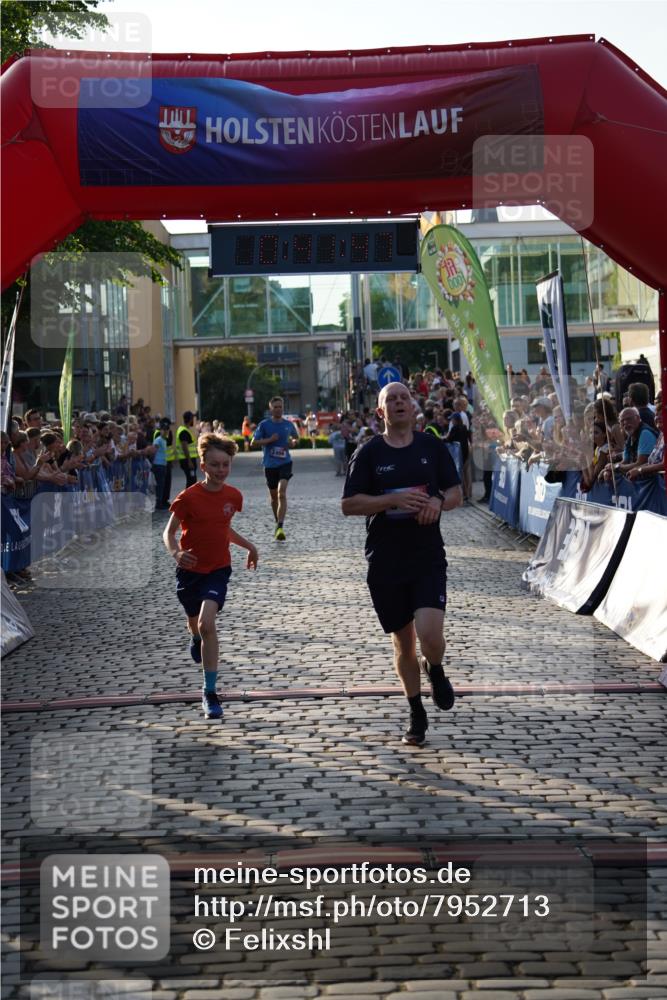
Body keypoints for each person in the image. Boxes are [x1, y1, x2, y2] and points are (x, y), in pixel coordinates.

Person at [342, 381, 463, 747]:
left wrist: (438, 502)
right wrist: (390, 499)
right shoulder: (368, 454)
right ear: (381, 412)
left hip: (427, 555)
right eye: (390, 399)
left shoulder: (432, 447)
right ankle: (415, 709)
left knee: (430, 637)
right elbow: (349, 505)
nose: (398, 403)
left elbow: (457, 491)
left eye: (403, 398)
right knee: (404, 644)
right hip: (385, 560)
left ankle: (436, 669)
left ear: (413, 408)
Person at [163, 434, 258, 720]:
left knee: (207, 624)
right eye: (215, 465)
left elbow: (223, 529)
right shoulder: (188, 497)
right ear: (202, 465)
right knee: (195, 622)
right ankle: (194, 638)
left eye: (225, 465)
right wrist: (176, 553)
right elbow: (168, 533)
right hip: (189, 572)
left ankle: (210, 692)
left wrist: (250, 546)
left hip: (218, 569)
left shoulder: (233, 496)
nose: (220, 470)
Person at [252, 396, 299, 541]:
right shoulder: (264, 425)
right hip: (269, 465)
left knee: (281, 493)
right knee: (273, 497)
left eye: (280, 406)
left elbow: (296, 438)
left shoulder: (288, 424)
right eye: (275, 407)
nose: (278, 409)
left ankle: (280, 525)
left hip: (285, 463)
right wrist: (269, 440)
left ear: (283, 408)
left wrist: (293, 443)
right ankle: (277, 523)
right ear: (270, 409)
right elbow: (254, 443)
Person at [176, 410, 198, 488]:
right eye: (193, 419)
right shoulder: (183, 431)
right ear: (190, 419)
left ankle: (189, 498)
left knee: (192, 481)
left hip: (188, 459)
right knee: (191, 481)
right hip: (187, 460)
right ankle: (188, 499)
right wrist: (189, 461)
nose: (193, 421)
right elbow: (184, 446)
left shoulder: (185, 430)